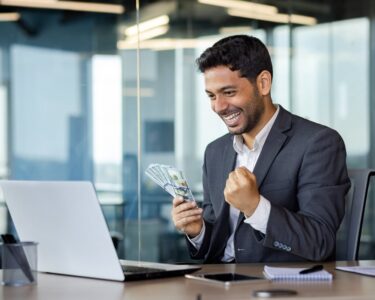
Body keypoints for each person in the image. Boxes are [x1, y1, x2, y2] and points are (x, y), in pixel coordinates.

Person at [171, 35, 350, 263]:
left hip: (282, 290)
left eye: (229, 92)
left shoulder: (318, 143)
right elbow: (218, 244)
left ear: (263, 83)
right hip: (220, 285)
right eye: (212, 96)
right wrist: (197, 231)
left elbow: (319, 242)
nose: (219, 107)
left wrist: (255, 207)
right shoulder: (215, 152)